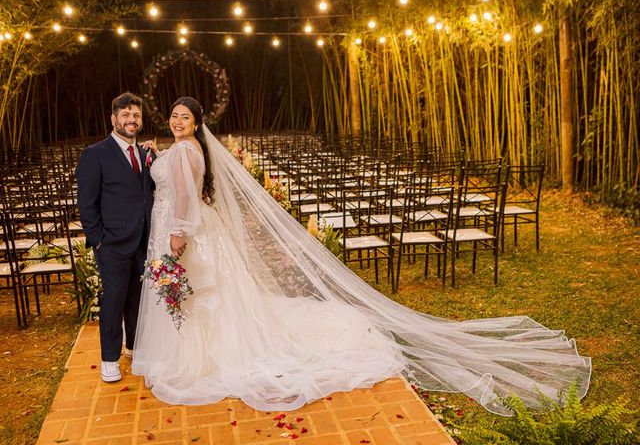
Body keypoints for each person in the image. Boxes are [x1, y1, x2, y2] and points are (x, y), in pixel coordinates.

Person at [133, 97, 591, 415]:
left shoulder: (186, 153)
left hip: (186, 236)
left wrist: (178, 235)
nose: (177, 121)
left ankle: (200, 358)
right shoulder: (184, 150)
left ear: (196, 122)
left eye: (184, 116)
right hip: (193, 234)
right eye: (173, 115)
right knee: (205, 299)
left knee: (203, 299)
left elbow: (186, 202)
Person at [77, 92, 155, 383]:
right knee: (113, 300)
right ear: (113, 119)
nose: (131, 120)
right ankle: (109, 358)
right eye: (125, 115)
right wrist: (98, 239)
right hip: (111, 243)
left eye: (135, 115)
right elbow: (86, 203)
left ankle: (134, 347)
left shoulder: (147, 153)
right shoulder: (95, 154)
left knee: (138, 298)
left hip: (143, 240)